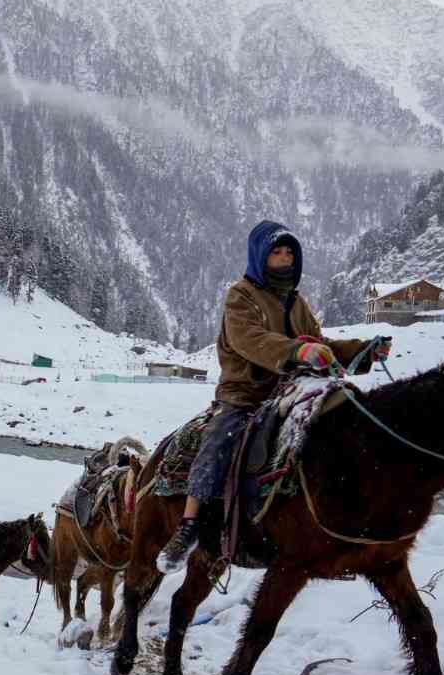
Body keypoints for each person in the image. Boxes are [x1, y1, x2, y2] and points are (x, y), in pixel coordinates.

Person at [156, 220, 391, 573]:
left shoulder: (297, 302)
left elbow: (319, 342)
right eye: (276, 253)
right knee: (219, 439)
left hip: (291, 390)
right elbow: (248, 339)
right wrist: (299, 352)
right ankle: (190, 523)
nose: (283, 260)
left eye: (289, 253)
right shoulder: (241, 295)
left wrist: (362, 351)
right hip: (245, 392)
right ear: (260, 256)